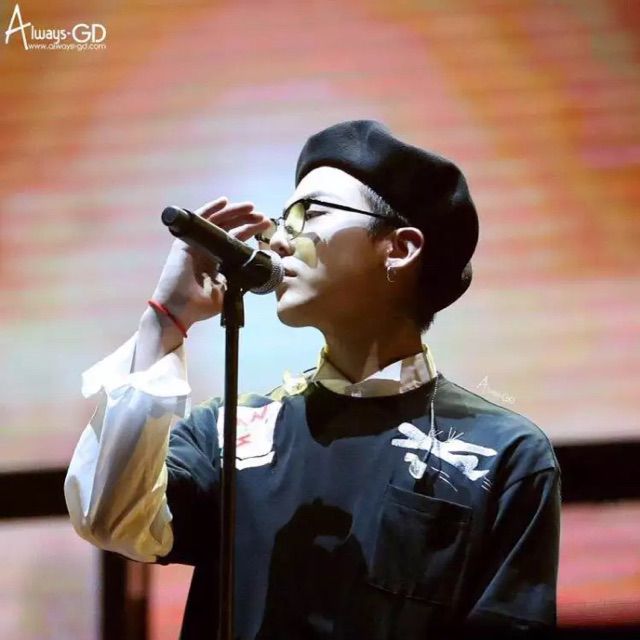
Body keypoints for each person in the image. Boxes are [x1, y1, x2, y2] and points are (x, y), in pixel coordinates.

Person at [65, 120, 561, 640]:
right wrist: (165, 321)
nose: (277, 240)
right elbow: (110, 519)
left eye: (309, 214)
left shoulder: (503, 452)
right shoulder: (231, 431)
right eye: (284, 219)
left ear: (399, 248)